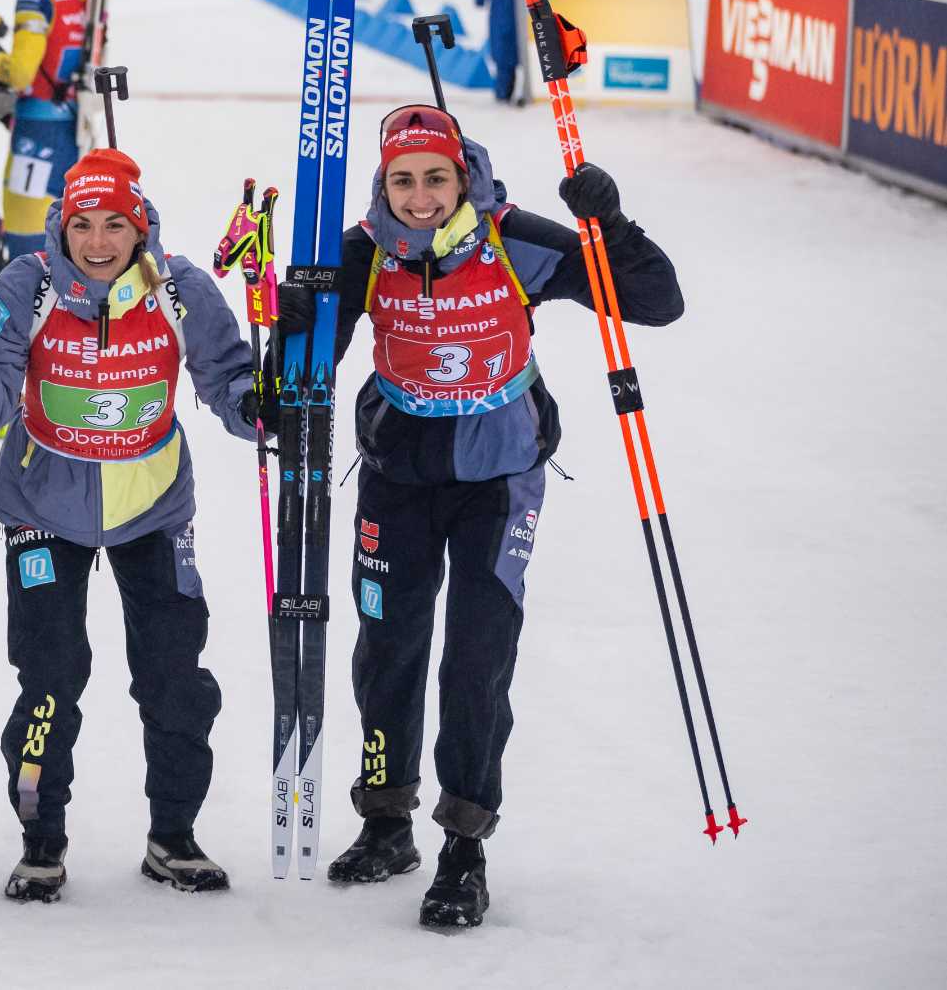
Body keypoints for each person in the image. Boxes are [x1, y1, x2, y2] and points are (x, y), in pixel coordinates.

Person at [274, 105, 683, 928]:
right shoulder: (363, 253)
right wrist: (290, 314)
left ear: (463, 178)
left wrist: (609, 222)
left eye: (436, 178)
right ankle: (386, 819)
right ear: (381, 184)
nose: (419, 197)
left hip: (497, 479)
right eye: (403, 179)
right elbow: (303, 362)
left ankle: (464, 843)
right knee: (386, 647)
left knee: (475, 659)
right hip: (396, 473)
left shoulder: (512, 239)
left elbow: (654, 300)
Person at [0, 147, 262, 903]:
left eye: (115, 226)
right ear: (59, 228)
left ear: (141, 226)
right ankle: (40, 842)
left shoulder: (180, 288)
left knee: (173, 680)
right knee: (49, 678)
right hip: (41, 506)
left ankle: (173, 837)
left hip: (152, 505)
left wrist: (260, 408)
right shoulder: (25, 287)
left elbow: (227, 378)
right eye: (82, 226)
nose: (97, 243)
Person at [0, 0, 90, 258]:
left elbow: (19, 73)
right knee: (59, 242)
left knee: (25, 245)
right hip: (73, 130)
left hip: (36, 134)